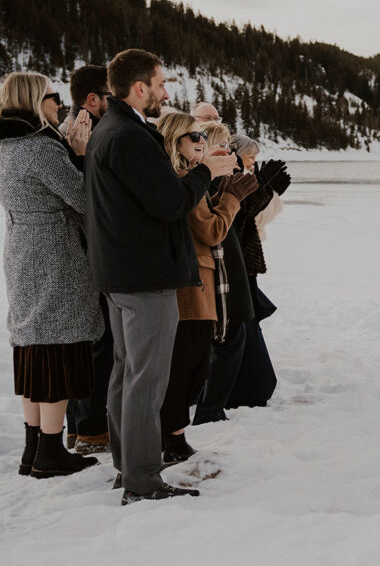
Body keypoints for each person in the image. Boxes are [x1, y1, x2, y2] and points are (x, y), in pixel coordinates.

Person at [85, 49, 238, 503]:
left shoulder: (108, 130)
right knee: (146, 379)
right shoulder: (129, 136)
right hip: (143, 274)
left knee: (126, 372)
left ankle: (127, 466)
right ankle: (142, 479)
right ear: (139, 88)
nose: (165, 92)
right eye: (160, 83)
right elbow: (170, 203)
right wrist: (205, 172)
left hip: (121, 272)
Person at [0, 71, 103, 477]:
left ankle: (33, 450)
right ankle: (50, 452)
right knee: (57, 351)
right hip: (53, 253)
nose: (59, 104)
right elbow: (81, 197)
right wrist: (78, 153)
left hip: (21, 249)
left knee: (33, 349)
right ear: (33, 100)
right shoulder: (40, 149)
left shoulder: (6, 146)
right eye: (52, 96)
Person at [156, 114, 257, 464]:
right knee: (187, 365)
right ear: (175, 141)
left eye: (202, 135)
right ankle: (173, 439)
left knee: (190, 365)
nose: (201, 140)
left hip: (194, 282)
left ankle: (173, 437)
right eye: (193, 136)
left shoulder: (180, 179)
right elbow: (211, 231)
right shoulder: (184, 180)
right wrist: (231, 198)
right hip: (193, 287)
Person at [58, 65, 115, 455]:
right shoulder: (80, 136)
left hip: (80, 252)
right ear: (92, 100)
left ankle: (79, 429)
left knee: (87, 341)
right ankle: (90, 429)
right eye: (111, 95)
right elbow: (83, 199)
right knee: (97, 341)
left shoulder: (74, 131)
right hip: (83, 253)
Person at [224, 134, 289, 409]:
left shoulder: (240, 176)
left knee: (250, 322)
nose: (253, 163)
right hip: (235, 263)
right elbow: (242, 214)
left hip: (245, 262)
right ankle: (245, 388)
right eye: (250, 157)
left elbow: (253, 214)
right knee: (242, 327)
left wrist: (268, 190)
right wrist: (263, 186)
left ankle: (253, 385)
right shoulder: (228, 178)